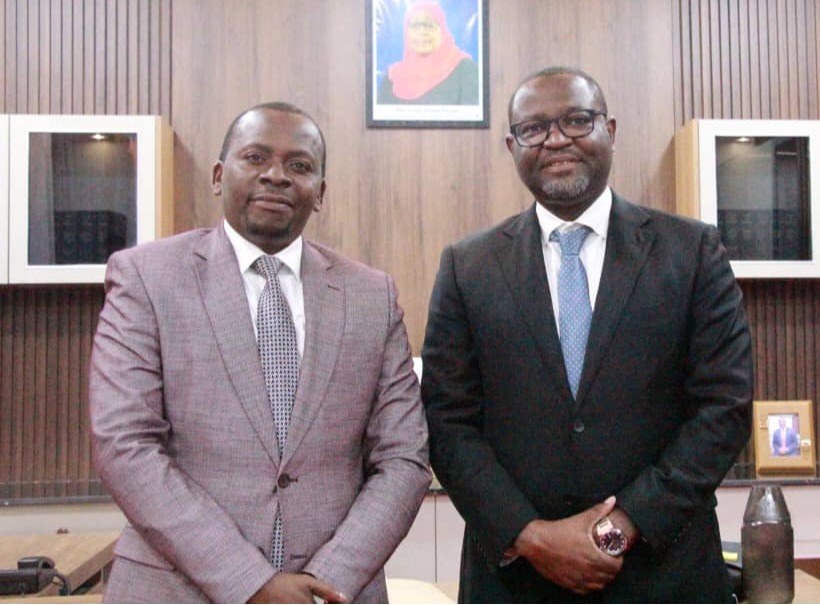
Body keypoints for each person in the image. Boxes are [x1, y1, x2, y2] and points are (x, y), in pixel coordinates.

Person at [421, 66, 754, 602]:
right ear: (512, 146)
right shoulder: (468, 266)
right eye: (533, 129)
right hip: (515, 580)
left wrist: (620, 526)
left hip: (663, 575)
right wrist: (532, 537)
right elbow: (447, 422)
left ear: (610, 130)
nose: (556, 139)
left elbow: (724, 407)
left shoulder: (691, 252)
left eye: (576, 120)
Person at [89, 102, 431, 603]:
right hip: (175, 589)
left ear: (320, 193)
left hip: (330, 594)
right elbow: (125, 445)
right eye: (255, 158)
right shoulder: (146, 277)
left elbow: (404, 457)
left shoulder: (370, 296)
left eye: (299, 165)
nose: (277, 176)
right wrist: (250, 582)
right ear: (218, 175)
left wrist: (329, 579)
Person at [377, 1, 479, 105]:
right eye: (415, 26)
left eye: (429, 25)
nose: (422, 32)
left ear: (443, 31)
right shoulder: (392, 77)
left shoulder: (464, 68)